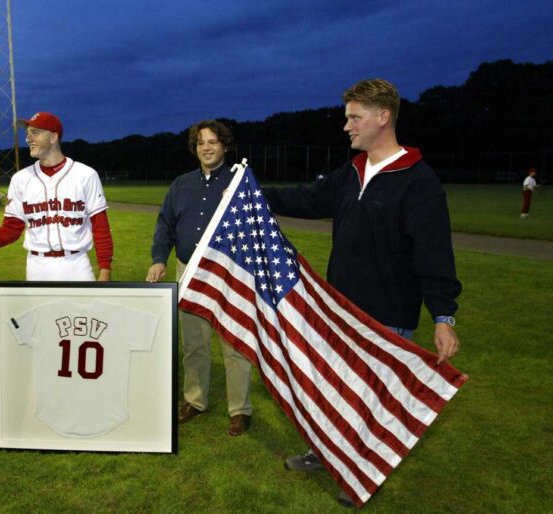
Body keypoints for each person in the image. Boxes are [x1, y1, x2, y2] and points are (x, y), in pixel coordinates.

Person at [262, 79, 462, 506]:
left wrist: (443, 318)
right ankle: (325, 453)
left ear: (382, 117)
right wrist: (255, 195)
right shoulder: (350, 172)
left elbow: (434, 255)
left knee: (371, 402)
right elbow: (308, 200)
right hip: (339, 310)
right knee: (333, 388)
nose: (346, 126)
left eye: (355, 117)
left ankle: (359, 476)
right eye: (347, 117)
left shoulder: (418, 180)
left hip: (388, 315)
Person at [146, 120, 253, 437]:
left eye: (213, 142)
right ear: (195, 147)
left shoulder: (240, 181)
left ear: (225, 146)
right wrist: (157, 259)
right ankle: (195, 400)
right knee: (194, 343)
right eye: (201, 142)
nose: (207, 147)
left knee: (234, 344)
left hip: (229, 275)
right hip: (189, 271)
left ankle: (240, 410)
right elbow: (165, 224)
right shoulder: (181, 184)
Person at [0, 112, 113, 281]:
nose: (28, 138)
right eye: (27, 133)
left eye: (35, 133)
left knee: (82, 309)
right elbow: (10, 230)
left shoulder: (85, 175)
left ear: (53, 137)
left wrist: (105, 269)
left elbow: (100, 226)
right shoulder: (20, 179)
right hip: (37, 265)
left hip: (77, 264)